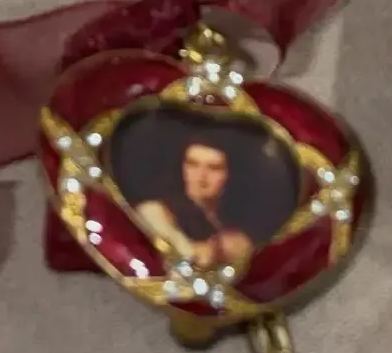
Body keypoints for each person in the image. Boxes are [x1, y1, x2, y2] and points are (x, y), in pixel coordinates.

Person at [126, 114, 295, 269]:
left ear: (231, 174)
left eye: (214, 168)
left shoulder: (236, 223)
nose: (201, 178)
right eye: (192, 164)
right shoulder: (155, 211)